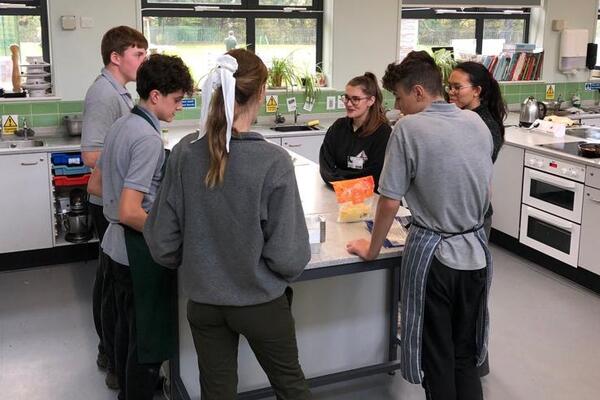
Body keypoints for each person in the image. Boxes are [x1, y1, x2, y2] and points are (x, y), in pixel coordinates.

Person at [144, 49, 312, 400]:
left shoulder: (185, 153)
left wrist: (200, 265)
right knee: (291, 388)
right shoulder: (273, 161)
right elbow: (290, 255)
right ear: (262, 93)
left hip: (204, 304)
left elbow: (162, 240)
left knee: (216, 393)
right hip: (260, 302)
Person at [346, 51, 493, 400]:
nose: (397, 106)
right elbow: (486, 192)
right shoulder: (475, 123)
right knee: (464, 354)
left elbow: (390, 200)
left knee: (437, 356)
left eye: (398, 97)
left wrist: (372, 248)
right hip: (476, 255)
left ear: (418, 92)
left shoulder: (409, 128)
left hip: (436, 261)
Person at [92, 54, 194, 400]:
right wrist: (168, 233)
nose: (179, 107)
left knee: (123, 329)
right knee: (147, 342)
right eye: (177, 99)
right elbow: (130, 210)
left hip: (112, 248)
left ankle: (124, 388)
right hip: (138, 252)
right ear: (155, 95)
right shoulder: (148, 139)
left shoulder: (122, 125)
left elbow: (95, 186)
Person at [80, 25, 148, 390]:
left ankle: (112, 349)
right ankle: (109, 352)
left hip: (114, 198)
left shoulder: (119, 92)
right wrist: (130, 155)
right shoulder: (103, 95)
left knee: (112, 281)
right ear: (116, 57)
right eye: (138, 54)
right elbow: (90, 154)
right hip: (104, 201)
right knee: (109, 283)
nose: (144, 60)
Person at [447, 61, 507, 240]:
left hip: (472, 216)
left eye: (457, 87)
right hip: (456, 212)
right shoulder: (461, 116)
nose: (451, 92)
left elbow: (470, 169)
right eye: (449, 86)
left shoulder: (484, 125)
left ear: (476, 91)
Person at [319, 72, 391, 191]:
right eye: (346, 97)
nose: (348, 103)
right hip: (340, 194)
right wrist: (343, 183)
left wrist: (340, 176)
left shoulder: (383, 133)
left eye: (356, 99)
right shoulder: (338, 127)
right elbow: (325, 167)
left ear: (371, 101)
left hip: (371, 199)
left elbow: (373, 176)